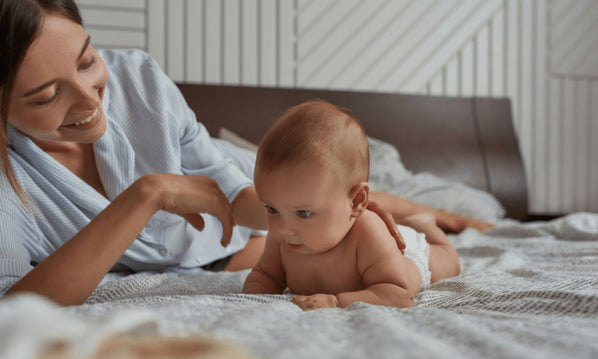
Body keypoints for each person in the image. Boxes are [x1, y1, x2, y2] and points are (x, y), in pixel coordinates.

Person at [0, 0, 489, 307]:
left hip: (239, 201)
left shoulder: (138, 82)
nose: (90, 100)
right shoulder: (8, 177)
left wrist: (316, 207)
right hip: (226, 246)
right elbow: (15, 307)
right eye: (46, 96)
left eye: (88, 61)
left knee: (321, 192)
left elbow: (240, 195)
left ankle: (434, 214)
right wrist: (147, 194)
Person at [242, 100, 461, 310]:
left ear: (356, 202)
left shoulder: (366, 231)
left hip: (410, 256)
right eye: (272, 209)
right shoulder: (284, 235)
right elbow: (265, 276)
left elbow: (399, 294)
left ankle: (427, 226)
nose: (282, 228)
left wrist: (337, 302)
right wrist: (252, 297)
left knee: (449, 263)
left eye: (304, 213)